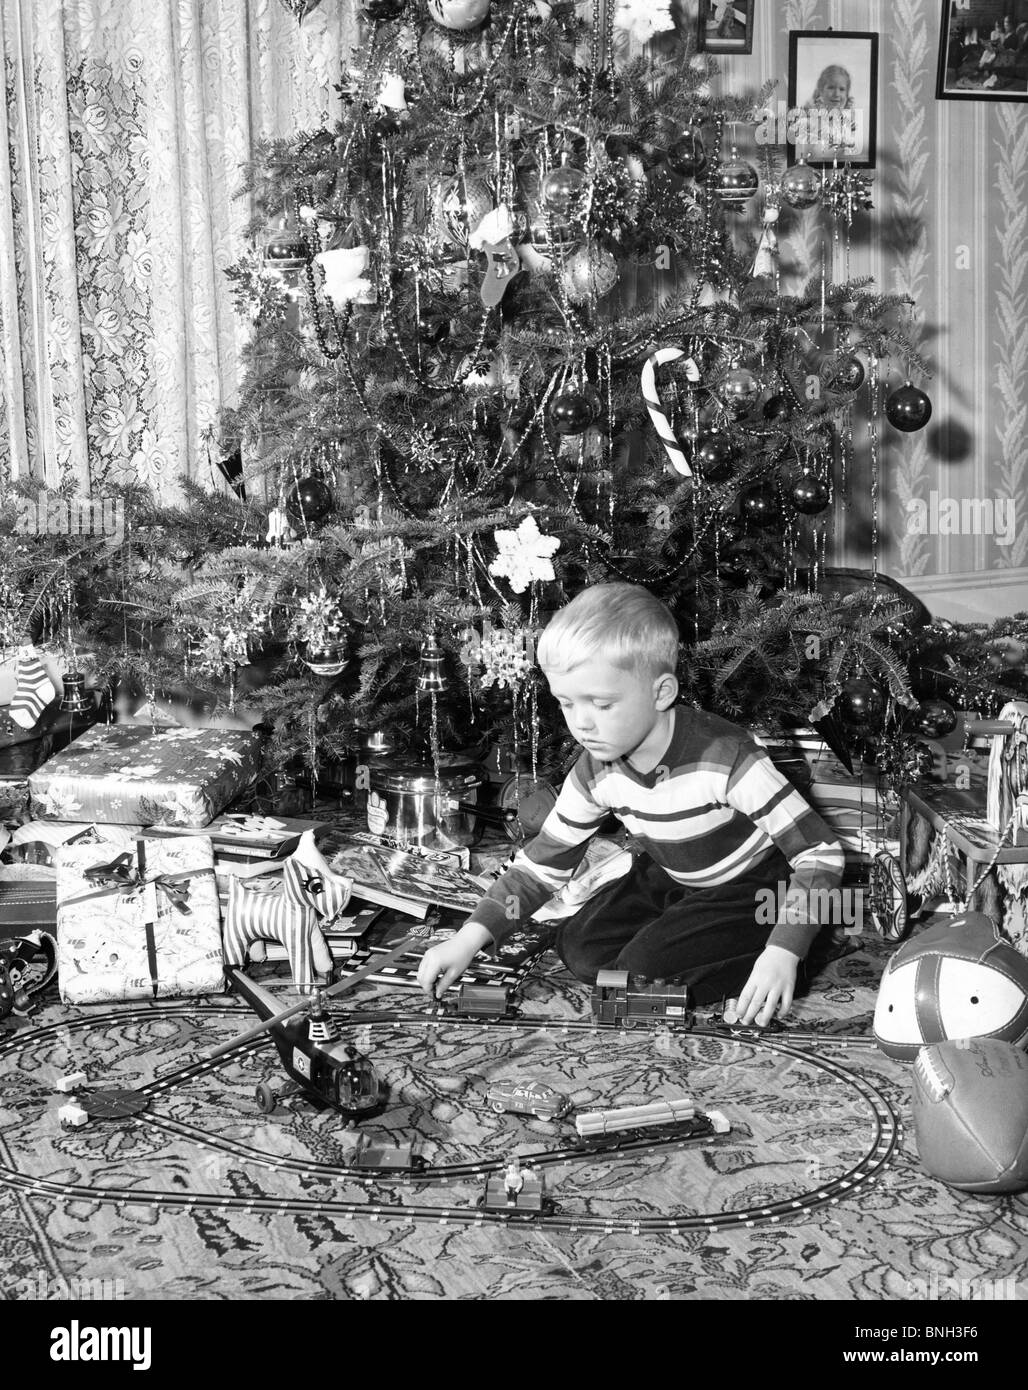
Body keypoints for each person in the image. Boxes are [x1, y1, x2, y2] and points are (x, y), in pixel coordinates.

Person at [417, 583, 845, 1027]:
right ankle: (687, 940)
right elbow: (542, 865)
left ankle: (798, 950)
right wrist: (469, 938)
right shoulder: (593, 770)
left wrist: (784, 950)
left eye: (602, 704)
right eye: (566, 702)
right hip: (666, 872)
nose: (582, 723)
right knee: (579, 951)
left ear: (661, 693)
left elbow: (820, 853)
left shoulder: (727, 757)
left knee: (639, 972)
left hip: (751, 888)